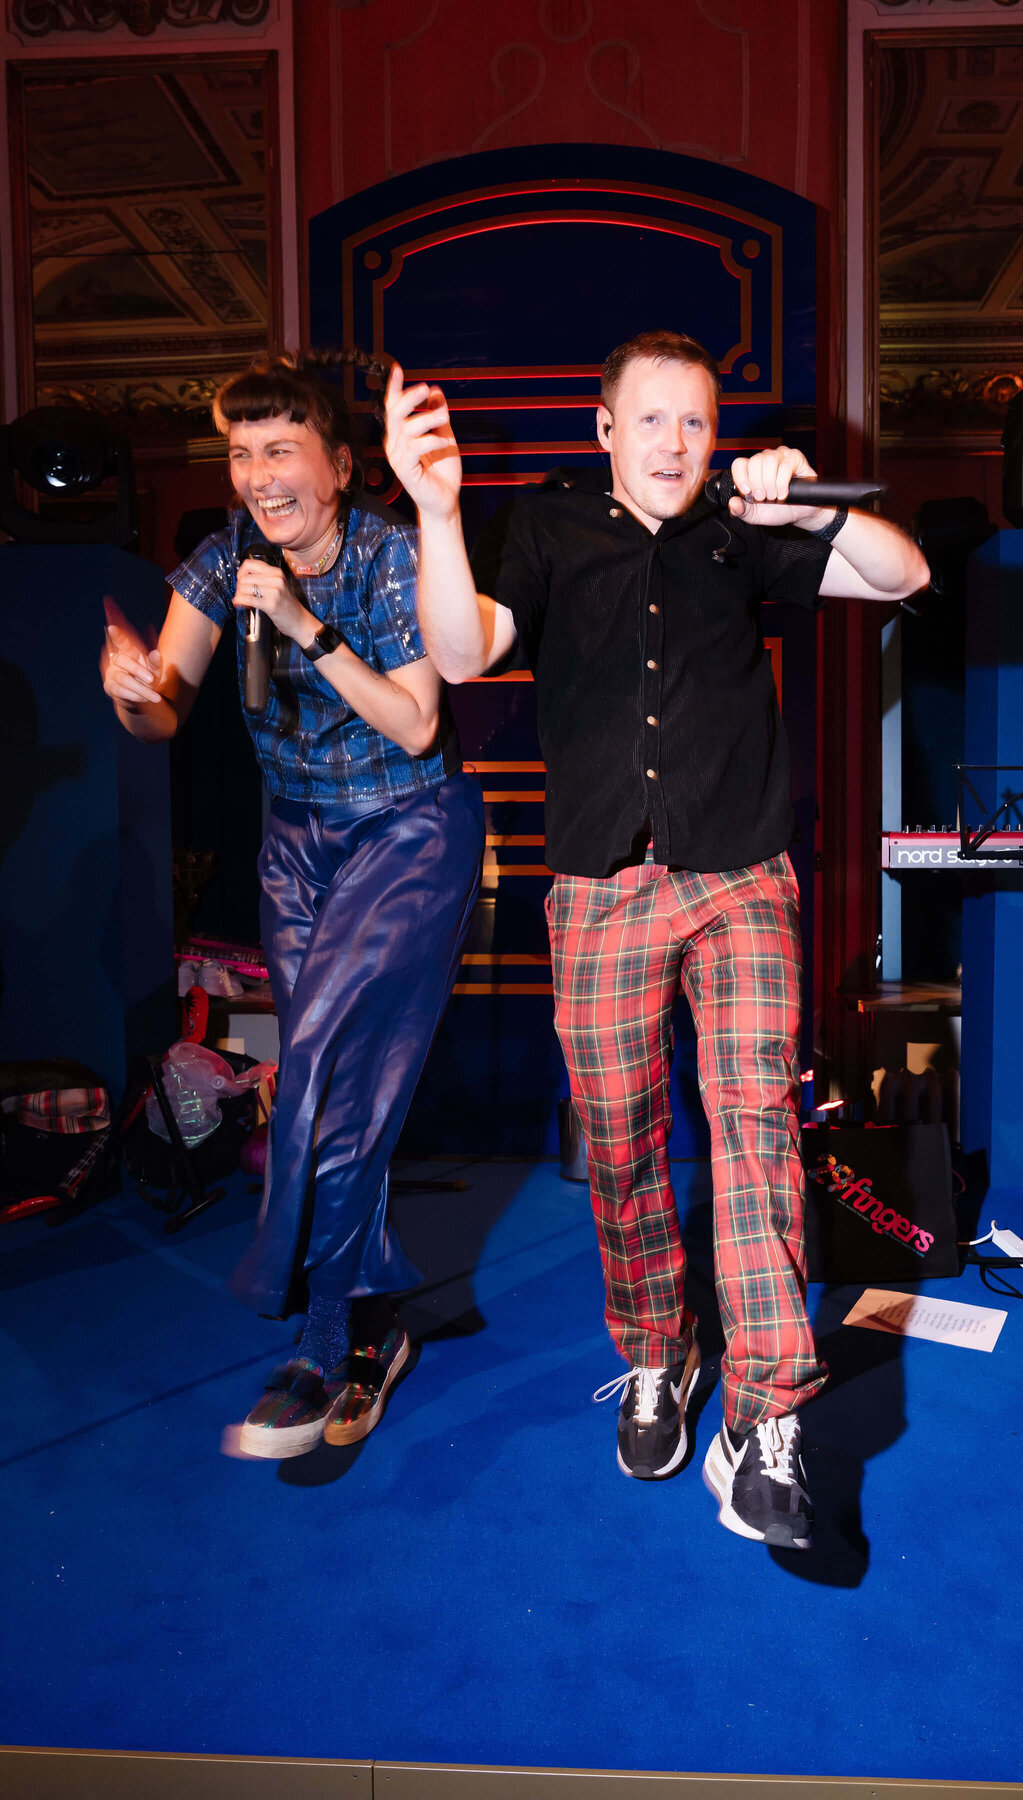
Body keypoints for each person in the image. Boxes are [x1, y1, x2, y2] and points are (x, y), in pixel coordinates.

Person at [383, 329, 928, 1548]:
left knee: (752, 1125)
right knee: (622, 1149)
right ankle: (657, 1354)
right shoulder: (546, 528)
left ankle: (771, 1414)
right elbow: (465, 655)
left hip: (740, 877)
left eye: (696, 421)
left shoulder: (745, 527)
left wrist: (811, 514)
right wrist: (434, 510)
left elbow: (903, 577)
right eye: (652, 420)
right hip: (598, 890)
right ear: (605, 428)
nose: (677, 444)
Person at [101, 351, 484, 1457]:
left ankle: (317, 1339)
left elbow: (417, 724)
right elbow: (163, 712)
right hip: (296, 844)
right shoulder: (225, 561)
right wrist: (135, 694)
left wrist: (309, 629)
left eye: (279, 450)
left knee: (314, 1060)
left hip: (410, 831)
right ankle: (370, 1326)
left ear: (338, 463)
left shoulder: (386, 553)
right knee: (334, 1083)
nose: (258, 474)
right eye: (240, 452)